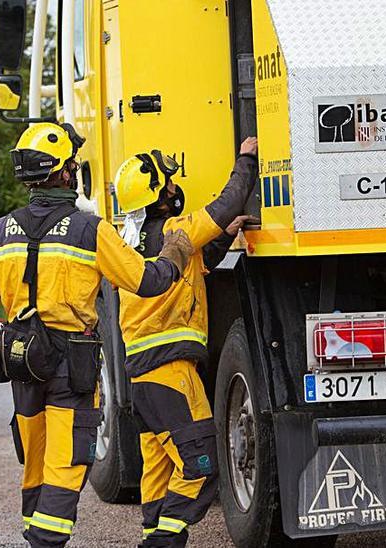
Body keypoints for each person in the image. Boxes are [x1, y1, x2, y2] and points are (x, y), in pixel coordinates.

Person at [0, 122, 192, 548]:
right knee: (65, 466)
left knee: (36, 463)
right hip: (70, 367)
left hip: (22, 361)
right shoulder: (90, 229)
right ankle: (46, 541)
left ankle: (36, 532)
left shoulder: (0, 232)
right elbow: (147, 281)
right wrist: (175, 250)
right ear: (66, 173)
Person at [112, 137, 258, 547]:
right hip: (172, 372)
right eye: (170, 184)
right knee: (202, 463)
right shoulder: (178, 230)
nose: (176, 188)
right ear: (160, 196)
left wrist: (222, 238)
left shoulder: (131, 244)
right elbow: (226, 204)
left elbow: (192, 267)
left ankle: (157, 537)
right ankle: (166, 537)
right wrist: (246, 159)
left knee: (157, 468)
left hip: (141, 380)